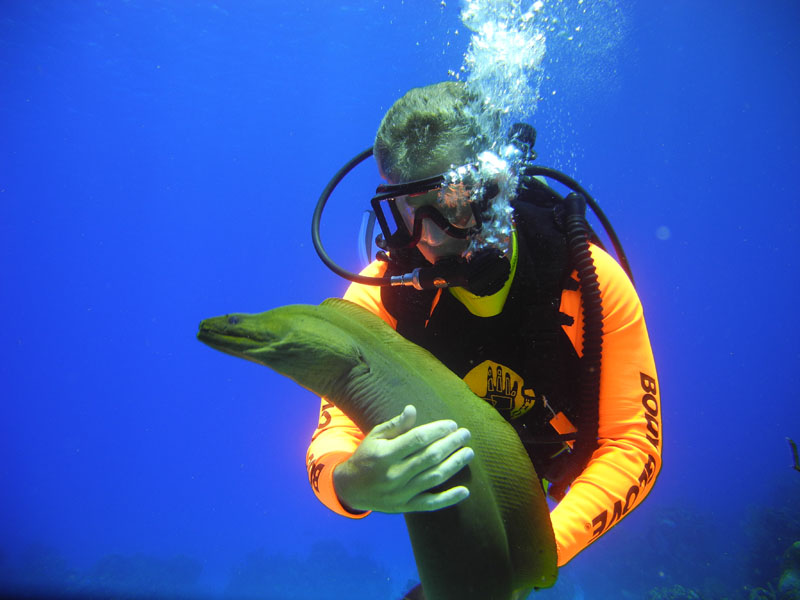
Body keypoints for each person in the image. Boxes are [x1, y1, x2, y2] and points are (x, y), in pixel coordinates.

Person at [305, 81, 662, 591]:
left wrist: (528, 558)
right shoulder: (379, 298)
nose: (428, 237)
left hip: (557, 467)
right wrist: (350, 480)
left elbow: (634, 444)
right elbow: (332, 434)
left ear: (494, 189)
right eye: (410, 210)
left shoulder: (591, 283)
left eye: (450, 203)